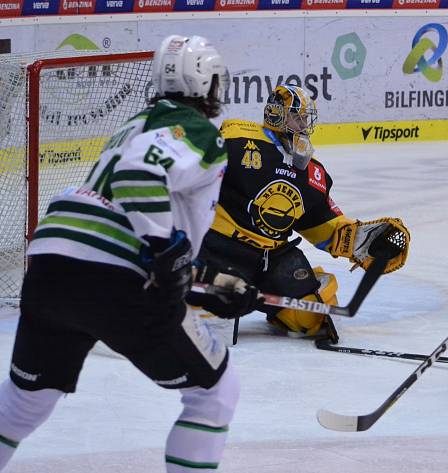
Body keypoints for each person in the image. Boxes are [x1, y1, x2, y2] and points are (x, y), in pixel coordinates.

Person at [0, 35, 257, 472]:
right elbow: (139, 178)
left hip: (51, 264)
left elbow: (133, 213)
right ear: (210, 85)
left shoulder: (137, 123)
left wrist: (202, 276)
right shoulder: (196, 131)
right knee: (214, 391)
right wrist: (167, 250)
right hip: (113, 277)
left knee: (26, 401)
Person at [195, 84, 410, 345]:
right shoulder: (237, 139)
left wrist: (360, 240)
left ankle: (296, 288)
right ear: (276, 114)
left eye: (306, 119)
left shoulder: (312, 172)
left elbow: (321, 222)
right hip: (220, 248)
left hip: (270, 258)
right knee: (206, 320)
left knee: (310, 319)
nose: (304, 125)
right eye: (297, 117)